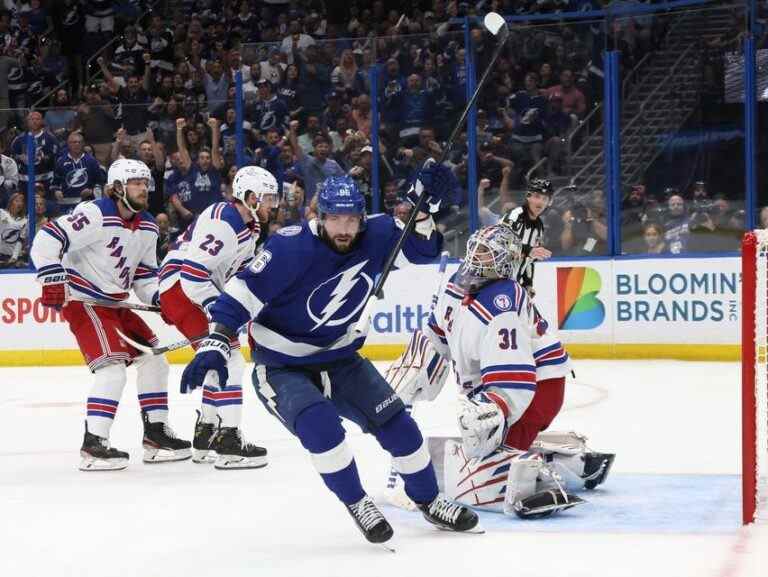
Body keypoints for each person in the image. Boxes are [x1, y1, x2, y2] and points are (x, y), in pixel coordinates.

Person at [179, 173, 479, 545]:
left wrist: (422, 211)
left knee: (399, 427)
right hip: (282, 366)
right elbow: (239, 297)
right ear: (319, 216)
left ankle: (430, 500)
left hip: (341, 358)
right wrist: (216, 342)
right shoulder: (289, 249)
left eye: (352, 219)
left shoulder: (378, 233)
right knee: (322, 429)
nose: (344, 228)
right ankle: (358, 502)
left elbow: (424, 251)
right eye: (335, 218)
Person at [387, 224, 614, 518]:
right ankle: (574, 460)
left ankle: (549, 476)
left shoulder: (501, 303)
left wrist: (491, 410)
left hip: (537, 390)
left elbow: (514, 378)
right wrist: (414, 367)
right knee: (476, 454)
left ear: (504, 260)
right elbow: (439, 334)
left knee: (482, 473)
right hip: (511, 384)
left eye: (485, 252)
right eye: (474, 249)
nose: (475, 256)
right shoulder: (460, 281)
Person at [30, 158, 191, 471]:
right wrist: (51, 275)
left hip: (117, 305)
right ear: (117, 188)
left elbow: (144, 276)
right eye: (136, 183)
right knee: (112, 370)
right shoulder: (95, 214)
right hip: (84, 301)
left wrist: (160, 298)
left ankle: (156, 436)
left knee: (155, 360)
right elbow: (47, 239)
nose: (144, 188)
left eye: (145, 183)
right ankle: (94, 445)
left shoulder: (146, 226)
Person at [159, 166, 278, 469]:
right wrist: (220, 310)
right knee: (231, 361)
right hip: (183, 290)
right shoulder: (223, 222)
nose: (273, 205)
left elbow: (237, 275)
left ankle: (206, 434)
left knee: (220, 361)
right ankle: (229, 443)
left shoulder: (249, 226)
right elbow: (193, 275)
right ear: (250, 197)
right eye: (268, 198)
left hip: (192, 291)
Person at [499, 178, 553, 295]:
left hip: (514, 285)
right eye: (537, 196)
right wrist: (529, 250)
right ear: (528, 196)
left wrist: (528, 283)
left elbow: (530, 260)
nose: (540, 202)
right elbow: (499, 241)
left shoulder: (539, 227)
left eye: (545, 198)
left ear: (549, 202)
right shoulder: (515, 214)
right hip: (495, 280)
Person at [51, 131, 106, 212]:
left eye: (79, 142)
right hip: (66, 204)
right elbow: (55, 183)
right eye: (74, 142)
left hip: (87, 203)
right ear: (68, 144)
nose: (77, 144)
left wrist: (91, 191)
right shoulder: (61, 161)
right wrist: (56, 191)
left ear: (83, 144)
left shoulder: (91, 161)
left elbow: (99, 182)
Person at [0, 191, 28, 267]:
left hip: (12, 257)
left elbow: (20, 240)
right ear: (11, 202)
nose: (20, 203)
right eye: (17, 201)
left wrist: (14, 257)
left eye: (22, 201)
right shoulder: (2, 213)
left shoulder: (25, 221)